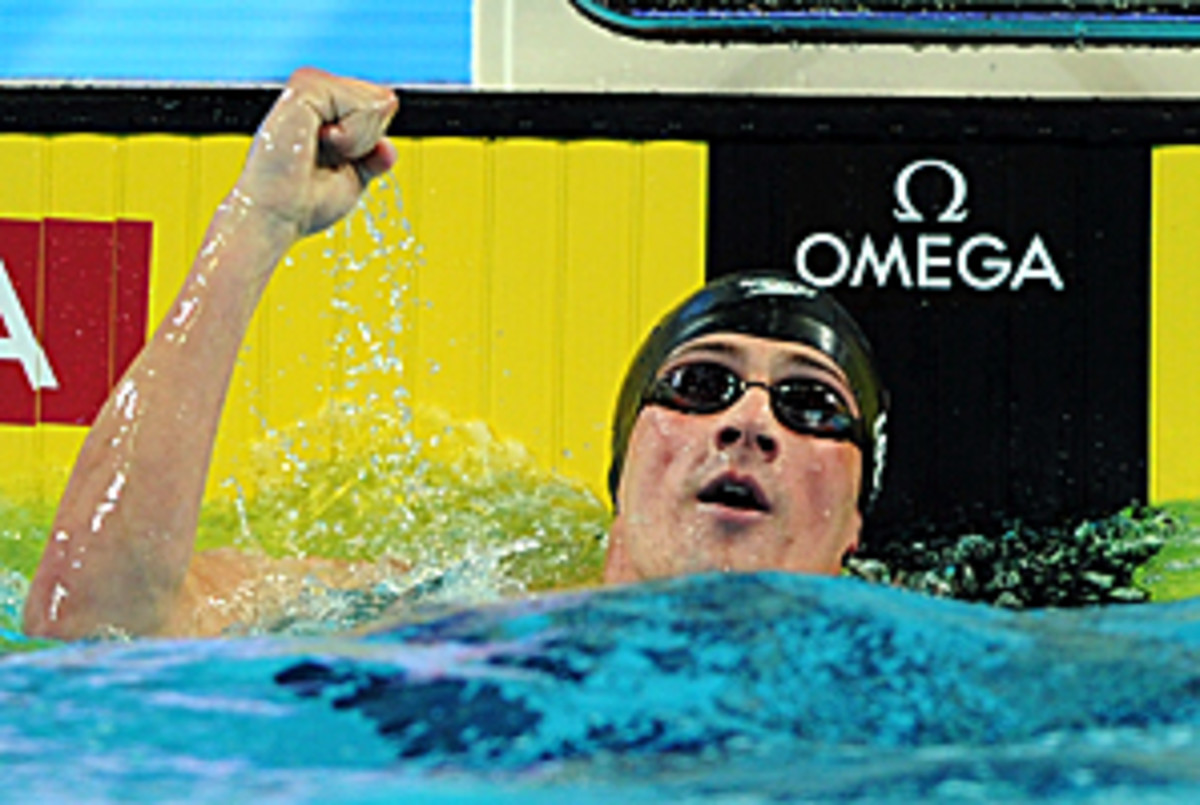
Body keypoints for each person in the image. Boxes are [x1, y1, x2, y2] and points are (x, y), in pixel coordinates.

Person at [21, 68, 887, 640]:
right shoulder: (457, 611)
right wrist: (257, 223)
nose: (747, 421)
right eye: (703, 383)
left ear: (857, 519)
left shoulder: (918, 668)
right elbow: (97, 625)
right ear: (622, 471)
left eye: (809, 403)